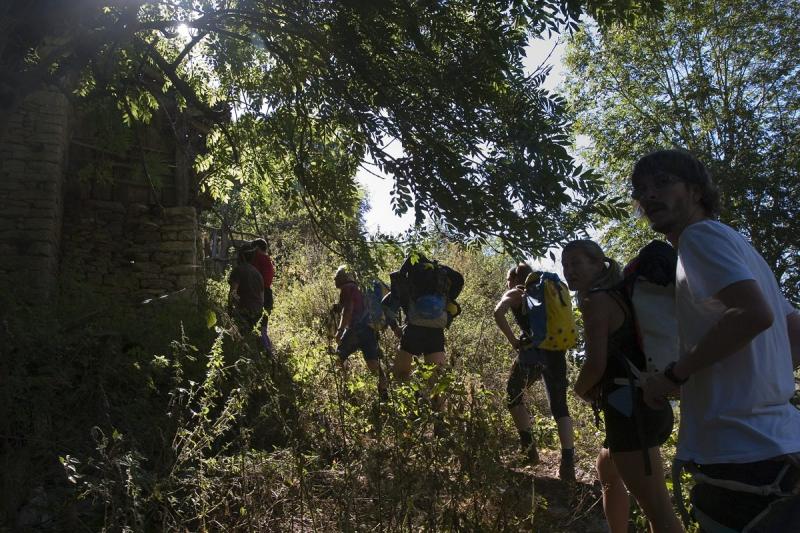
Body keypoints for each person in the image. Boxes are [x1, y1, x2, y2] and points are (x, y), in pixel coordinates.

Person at [633, 149, 800, 532]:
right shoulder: (738, 245)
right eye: (641, 189)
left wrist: (673, 375)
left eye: (662, 182)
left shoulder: (698, 237)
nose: (649, 195)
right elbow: (795, 332)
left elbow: (753, 314)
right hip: (784, 445)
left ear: (695, 191)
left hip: (739, 457)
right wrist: (738, 379)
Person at [562, 240, 683, 533]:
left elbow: (596, 364)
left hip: (631, 415)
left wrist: (579, 390)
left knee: (659, 514)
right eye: (565, 265)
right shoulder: (620, 296)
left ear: (598, 264)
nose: (569, 271)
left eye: (576, 262)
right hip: (647, 405)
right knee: (607, 469)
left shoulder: (596, 301)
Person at [494, 263, 576, 480]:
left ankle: (529, 452)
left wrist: (513, 340)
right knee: (560, 407)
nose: (507, 284)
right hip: (556, 353)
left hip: (532, 354)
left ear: (514, 278)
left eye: (507, 279)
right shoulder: (548, 293)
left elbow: (498, 312)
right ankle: (568, 463)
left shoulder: (517, 292)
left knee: (513, 397)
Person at [333, 265, 388, 399]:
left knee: (338, 358)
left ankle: (346, 390)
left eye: (337, 276)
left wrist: (340, 331)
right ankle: (384, 389)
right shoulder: (360, 288)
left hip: (356, 330)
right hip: (369, 329)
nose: (335, 279)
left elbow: (348, 310)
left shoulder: (347, 288)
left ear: (343, 277)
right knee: (373, 363)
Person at [228, 245, 264, 332]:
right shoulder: (258, 273)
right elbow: (262, 297)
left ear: (242, 256)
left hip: (244, 311)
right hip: (257, 312)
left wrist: (230, 309)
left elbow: (233, 292)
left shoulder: (238, 270)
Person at [250, 238, 275, 354]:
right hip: (267, 294)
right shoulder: (268, 259)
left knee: (258, 326)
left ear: (257, 248)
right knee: (263, 325)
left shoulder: (258, 258)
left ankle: (267, 352)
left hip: (261, 294)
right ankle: (267, 350)